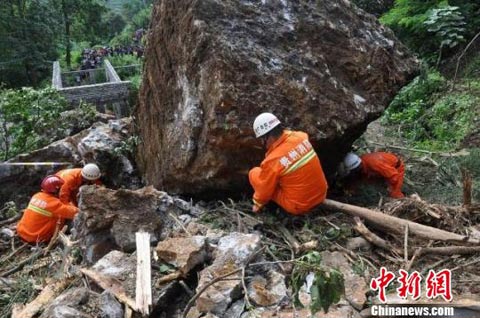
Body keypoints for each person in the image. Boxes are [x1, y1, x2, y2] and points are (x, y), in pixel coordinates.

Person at [248, 112, 328, 215]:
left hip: (299, 205)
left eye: (262, 140)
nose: (263, 144)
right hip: (321, 193)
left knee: (254, 173)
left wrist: (257, 203)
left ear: (268, 137)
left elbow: (264, 190)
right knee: (280, 177)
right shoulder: (301, 137)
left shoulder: (273, 161)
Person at [17, 175, 79, 243]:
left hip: (22, 232)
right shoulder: (53, 204)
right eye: (61, 188)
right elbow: (75, 213)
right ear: (57, 190)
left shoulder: (37, 195)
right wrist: (71, 203)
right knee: (71, 221)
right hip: (36, 238)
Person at [341, 152, 405, 198]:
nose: (356, 171)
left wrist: (389, 186)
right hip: (380, 171)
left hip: (395, 169)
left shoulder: (375, 164)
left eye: (356, 169)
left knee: (395, 194)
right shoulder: (362, 161)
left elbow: (394, 176)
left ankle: (403, 203)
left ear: (359, 165)